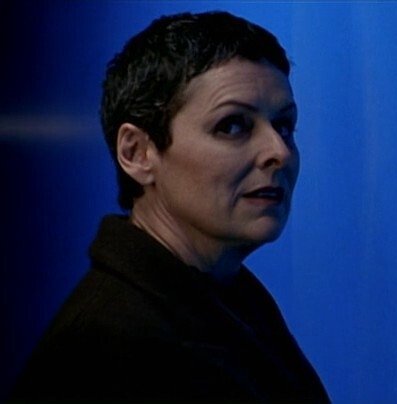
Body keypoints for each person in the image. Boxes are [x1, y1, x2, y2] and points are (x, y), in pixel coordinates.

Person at [10, 11, 330, 403]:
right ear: (137, 153)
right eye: (232, 125)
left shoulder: (228, 301)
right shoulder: (109, 352)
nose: (279, 151)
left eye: (284, 126)